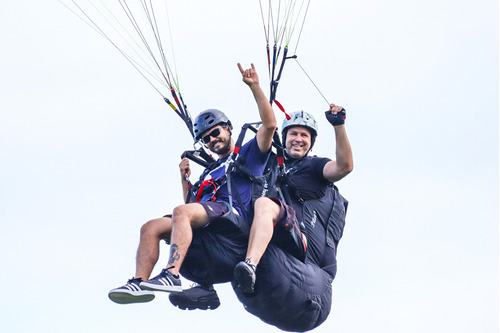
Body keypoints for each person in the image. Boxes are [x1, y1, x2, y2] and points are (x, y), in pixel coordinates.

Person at [108, 63, 276, 305]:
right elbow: (192, 206)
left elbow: (269, 125)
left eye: (216, 132)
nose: (212, 140)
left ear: (227, 128)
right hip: (211, 221)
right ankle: (138, 282)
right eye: (206, 139)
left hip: (233, 219)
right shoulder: (209, 171)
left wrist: (255, 88)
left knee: (180, 212)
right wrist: (184, 179)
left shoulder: (248, 153)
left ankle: (171, 275)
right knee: (150, 227)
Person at [231, 107, 353, 332]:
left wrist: (338, 126)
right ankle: (203, 285)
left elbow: (344, 167)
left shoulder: (314, 166)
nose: (298, 139)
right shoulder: (268, 167)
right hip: (280, 246)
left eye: (304, 135)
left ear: (311, 142)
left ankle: (250, 264)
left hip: (301, 244)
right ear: (284, 138)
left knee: (265, 204)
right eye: (293, 134)